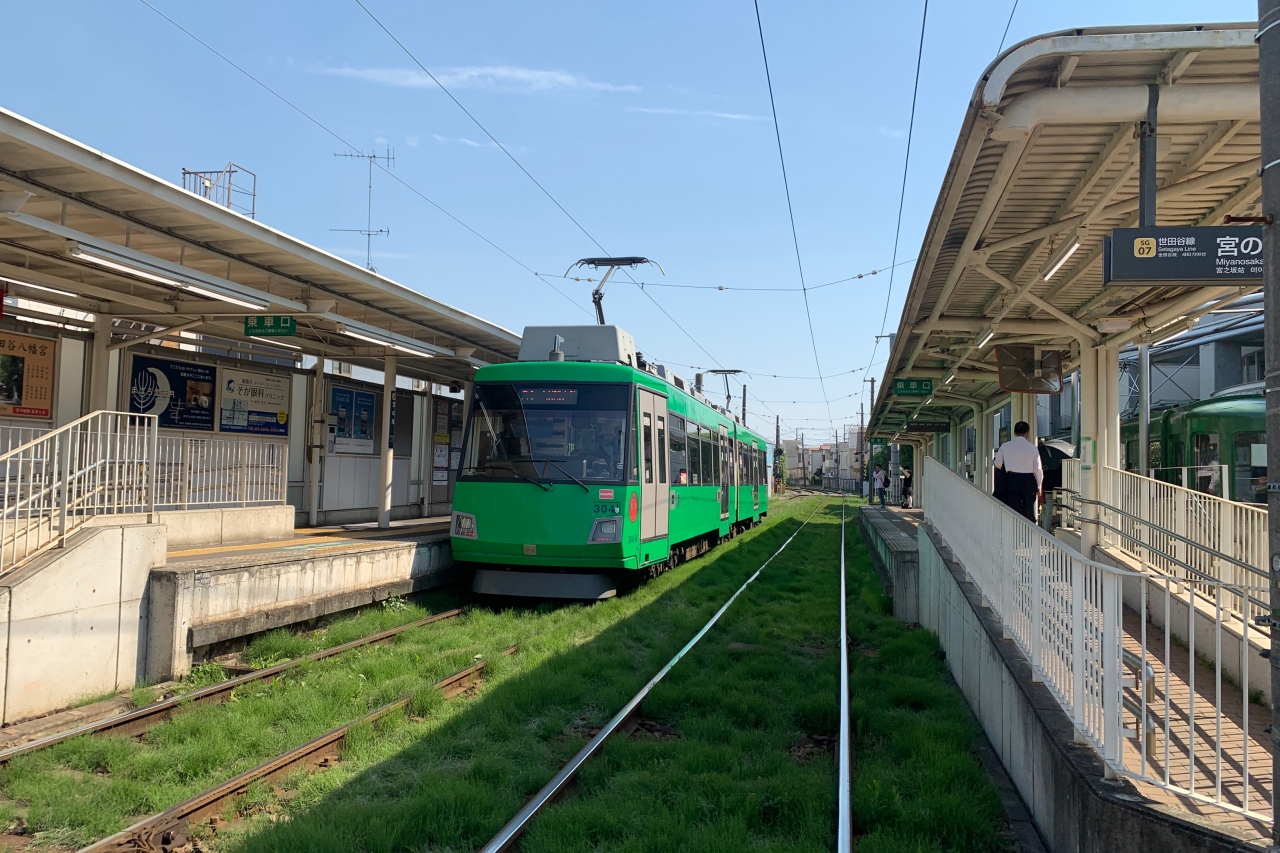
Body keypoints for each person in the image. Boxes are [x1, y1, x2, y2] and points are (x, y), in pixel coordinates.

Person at [993, 421, 1043, 522]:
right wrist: (1039, 485)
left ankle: (1013, 528)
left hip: (1011, 480)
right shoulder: (1033, 448)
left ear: (1014, 432)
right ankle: (1028, 531)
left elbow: (997, 463)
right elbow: (1037, 468)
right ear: (1027, 433)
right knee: (1028, 509)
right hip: (1028, 480)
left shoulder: (1005, 446)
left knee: (1012, 508)